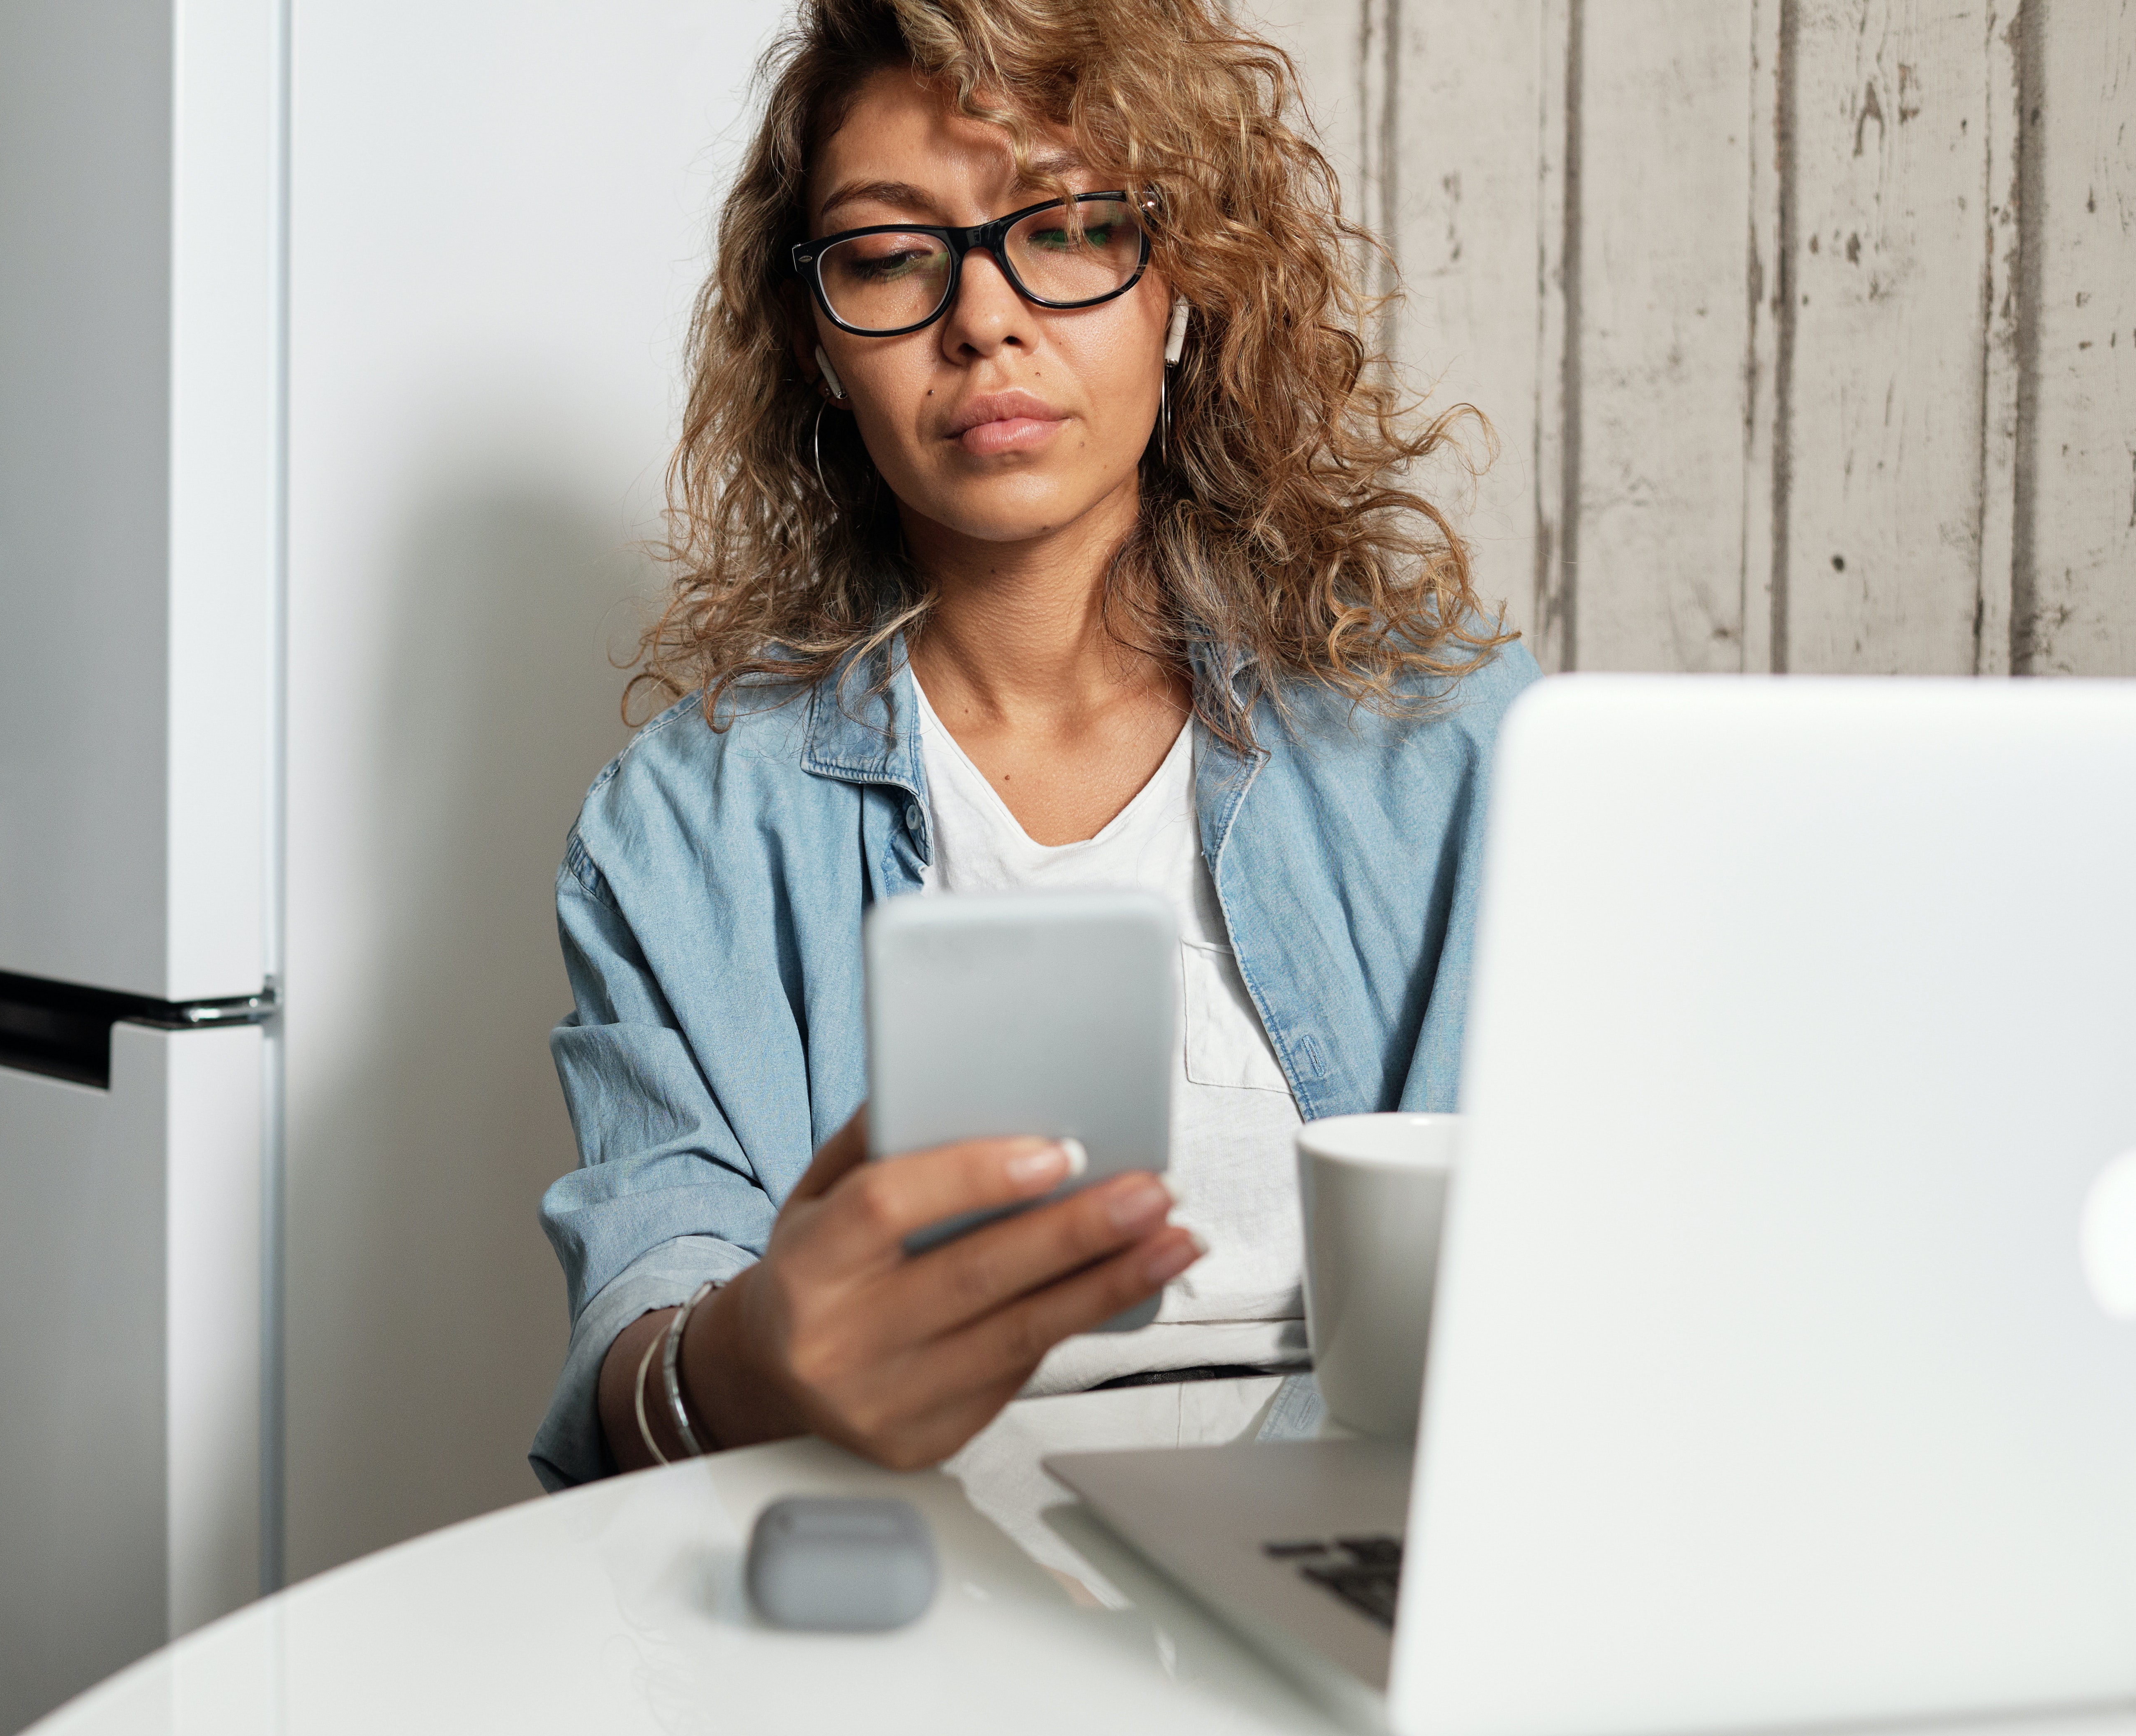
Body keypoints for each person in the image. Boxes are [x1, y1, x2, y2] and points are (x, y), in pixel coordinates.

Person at [530, 0, 1535, 1493]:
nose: (983, 319)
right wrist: (735, 1366)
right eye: (886, 254)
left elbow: (1562, 1271)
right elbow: (650, 1312)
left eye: (1065, 229)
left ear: (1180, 286)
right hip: (909, 1574)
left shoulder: (1456, 750)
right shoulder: (683, 827)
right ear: (813, 341)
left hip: (1365, 1543)